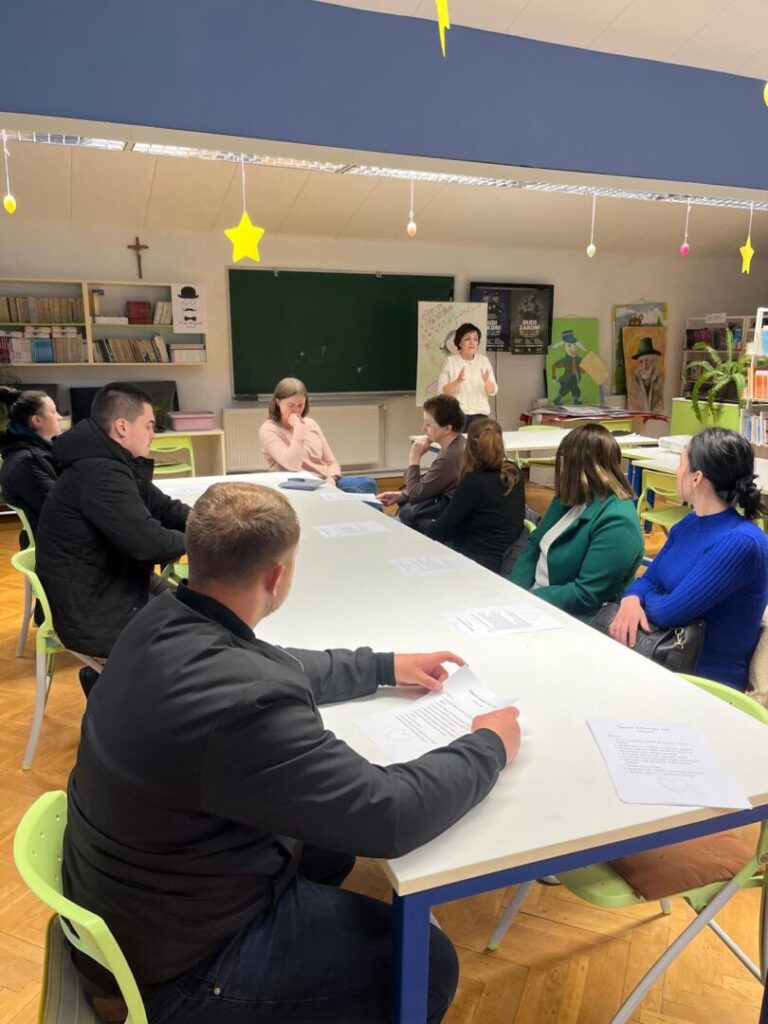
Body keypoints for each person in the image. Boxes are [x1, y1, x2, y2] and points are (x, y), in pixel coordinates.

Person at [62, 482, 521, 1024]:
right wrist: (488, 746)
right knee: (426, 964)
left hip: (140, 904)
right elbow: (388, 814)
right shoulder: (243, 704)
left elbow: (271, 660)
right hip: (175, 971)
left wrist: (382, 666)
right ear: (276, 576)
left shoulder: (159, 618)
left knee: (328, 848)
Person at [35, 382, 190, 683]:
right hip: (93, 611)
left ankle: (101, 684)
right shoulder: (101, 473)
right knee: (195, 635)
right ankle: (113, 693)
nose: (153, 434)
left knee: (195, 610)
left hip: (107, 585)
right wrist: (207, 539)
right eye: (149, 425)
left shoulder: (114, 463)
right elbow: (151, 544)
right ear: (122, 427)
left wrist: (207, 522)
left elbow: (165, 507)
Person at [609, 428, 768, 690]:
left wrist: (642, 598)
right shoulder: (690, 523)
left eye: (681, 463)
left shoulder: (741, 543)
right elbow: (647, 580)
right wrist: (631, 599)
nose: (676, 471)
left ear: (697, 478)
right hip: (661, 653)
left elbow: (668, 613)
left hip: (704, 680)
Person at [509, 424, 644, 622]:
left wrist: (527, 599)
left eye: (565, 462)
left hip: (571, 617)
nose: (561, 469)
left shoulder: (618, 522)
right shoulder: (571, 497)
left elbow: (586, 595)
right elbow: (534, 543)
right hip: (536, 602)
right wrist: (513, 590)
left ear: (582, 467)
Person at [426, 418, 525, 573]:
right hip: (506, 559)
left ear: (468, 447)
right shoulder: (514, 472)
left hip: (478, 563)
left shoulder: (474, 481)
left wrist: (420, 522)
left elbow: (438, 532)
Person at [259, 378, 377, 493]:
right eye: (291, 405)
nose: (296, 411)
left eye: (300, 405)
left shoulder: (311, 423)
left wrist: (331, 479)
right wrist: (298, 427)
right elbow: (292, 465)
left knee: (367, 483)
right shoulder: (269, 429)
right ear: (278, 402)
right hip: (298, 487)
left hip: (324, 482)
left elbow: (332, 462)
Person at [378, 394, 466, 532]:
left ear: (447, 429)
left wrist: (414, 458)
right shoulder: (457, 444)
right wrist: (401, 495)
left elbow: (415, 495)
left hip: (445, 522)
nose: (423, 428)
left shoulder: (449, 457)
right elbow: (429, 484)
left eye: (428, 424)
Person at [0, 386, 62, 543]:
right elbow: (61, 508)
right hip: (54, 547)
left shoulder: (35, 453)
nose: (60, 417)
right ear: (37, 420)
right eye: (54, 412)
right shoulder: (26, 462)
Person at [437, 322, 497, 426]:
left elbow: (493, 391)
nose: (472, 342)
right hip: (457, 415)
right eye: (467, 339)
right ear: (459, 343)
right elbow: (441, 392)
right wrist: (457, 381)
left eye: (475, 339)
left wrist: (487, 382)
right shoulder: (450, 361)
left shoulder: (484, 361)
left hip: (480, 414)